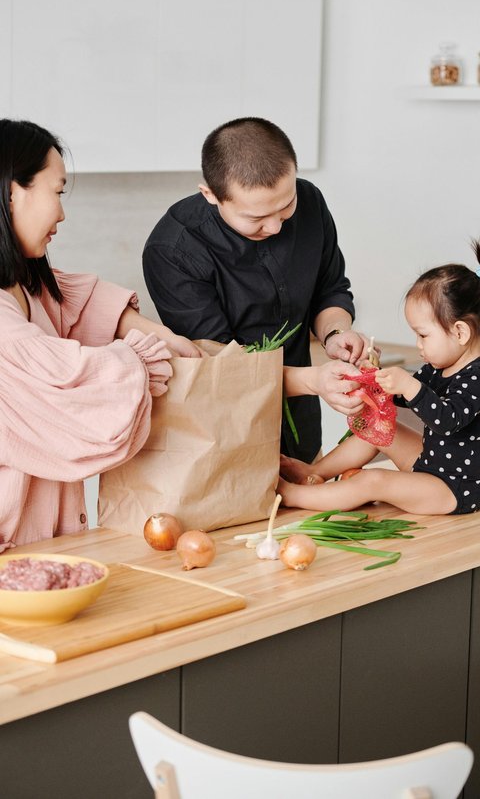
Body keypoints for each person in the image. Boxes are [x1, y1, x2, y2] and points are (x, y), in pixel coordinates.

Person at [0, 118, 202, 553]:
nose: (62, 212)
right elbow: (61, 375)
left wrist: (154, 332)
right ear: (13, 191)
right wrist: (142, 360)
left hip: (38, 543)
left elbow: (74, 301)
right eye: (57, 192)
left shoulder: (25, 280)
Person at [143, 117, 370, 462]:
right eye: (256, 219)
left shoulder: (309, 201)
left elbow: (330, 289)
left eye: (285, 206)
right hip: (222, 429)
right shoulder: (173, 250)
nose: (277, 226)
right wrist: (314, 382)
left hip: (302, 419)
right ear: (210, 195)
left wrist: (336, 333)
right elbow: (220, 364)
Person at [279, 242, 480, 516]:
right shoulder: (441, 364)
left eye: (423, 335)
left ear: (460, 333)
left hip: (455, 486)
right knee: (380, 430)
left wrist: (409, 385)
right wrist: (375, 379)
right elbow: (407, 398)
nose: (418, 345)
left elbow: (447, 420)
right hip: (432, 463)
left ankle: (293, 495)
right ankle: (315, 472)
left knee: (374, 481)